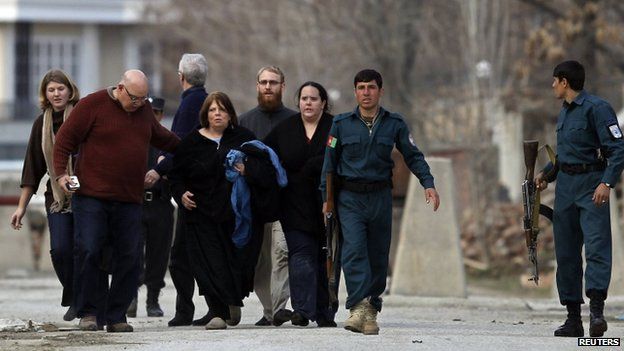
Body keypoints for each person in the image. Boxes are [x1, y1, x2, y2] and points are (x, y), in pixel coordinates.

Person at [53, 70, 179, 333]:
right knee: (89, 249)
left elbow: (163, 138)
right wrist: (62, 174)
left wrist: (192, 146)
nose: (140, 104)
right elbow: (64, 140)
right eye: (135, 98)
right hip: (91, 197)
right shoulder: (92, 105)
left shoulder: (143, 111)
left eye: (144, 99)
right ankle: (89, 312)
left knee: (129, 256)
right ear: (121, 88)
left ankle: (117, 315)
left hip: (128, 198)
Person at [320, 69, 440, 335]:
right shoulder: (341, 124)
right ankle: (357, 307)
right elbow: (329, 165)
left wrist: (428, 183)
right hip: (349, 198)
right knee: (353, 250)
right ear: (355, 92)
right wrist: (325, 200)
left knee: (377, 255)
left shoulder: (394, 123)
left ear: (380, 91)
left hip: (380, 197)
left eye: (371, 87)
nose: (366, 92)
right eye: (361, 87)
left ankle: (371, 308)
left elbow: (413, 155)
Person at [535, 60, 624, 338]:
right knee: (567, 255)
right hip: (566, 190)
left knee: (597, 249)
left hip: (591, 187)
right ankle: (573, 319)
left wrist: (606, 182)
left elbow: (618, 148)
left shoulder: (597, 108)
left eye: (554, 80)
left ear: (564, 82)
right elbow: (564, 157)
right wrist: (546, 175)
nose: (552, 85)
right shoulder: (564, 113)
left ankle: (597, 314)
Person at [168, 91, 257, 329]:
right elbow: (176, 175)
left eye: (222, 109)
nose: (217, 113)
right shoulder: (191, 142)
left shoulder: (244, 138)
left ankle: (231, 301)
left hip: (234, 214)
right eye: (212, 110)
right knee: (207, 263)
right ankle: (218, 311)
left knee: (233, 261)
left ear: (230, 114)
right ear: (205, 115)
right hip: (200, 213)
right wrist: (181, 193)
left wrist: (247, 170)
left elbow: (262, 165)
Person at [264, 81, 337, 327]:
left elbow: (338, 155)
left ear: (323, 103)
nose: (308, 102)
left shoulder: (334, 128)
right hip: (293, 203)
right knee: (301, 254)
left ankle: (325, 311)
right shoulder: (286, 129)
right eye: (304, 98)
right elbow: (265, 153)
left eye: (313, 98)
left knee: (324, 257)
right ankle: (303, 311)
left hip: (327, 202)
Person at [9, 69, 80, 321]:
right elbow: (32, 169)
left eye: (61, 88)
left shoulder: (83, 117)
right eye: (51, 90)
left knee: (87, 249)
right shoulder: (42, 124)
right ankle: (74, 294)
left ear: (70, 90)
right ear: (45, 94)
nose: (57, 93)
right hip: (58, 197)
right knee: (60, 249)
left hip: (87, 194)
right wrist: (21, 208)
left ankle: (85, 302)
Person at [151, 54, 212, 327]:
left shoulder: (190, 105)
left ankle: (188, 310)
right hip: (200, 189)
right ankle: (215, 307)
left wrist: (161, 166)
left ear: (181, 77)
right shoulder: (206, 101)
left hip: (192, 191)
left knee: (181, 258)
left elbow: (182, 146)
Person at [239, 65, 296, 326]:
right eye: (263, 82)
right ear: (257, 85)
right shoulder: (245, 121)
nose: (268, 87)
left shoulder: (294, 121)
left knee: (282, 256)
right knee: (260, 263)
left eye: (273, 82)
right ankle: (268, 309)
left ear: (283, 86)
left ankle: (279, 308)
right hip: (255, 204)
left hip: (285, 202)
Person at [126, 97, 175, 318]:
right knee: (132, 251)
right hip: (134, 202)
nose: (153, 116)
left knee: (159, 253)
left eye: (156, 112)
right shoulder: (130, 135)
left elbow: (179, 161)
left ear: (161, 115)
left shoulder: (166, 139)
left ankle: (153, 298)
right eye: (149, 111)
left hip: (159, 202)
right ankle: (131, 295)